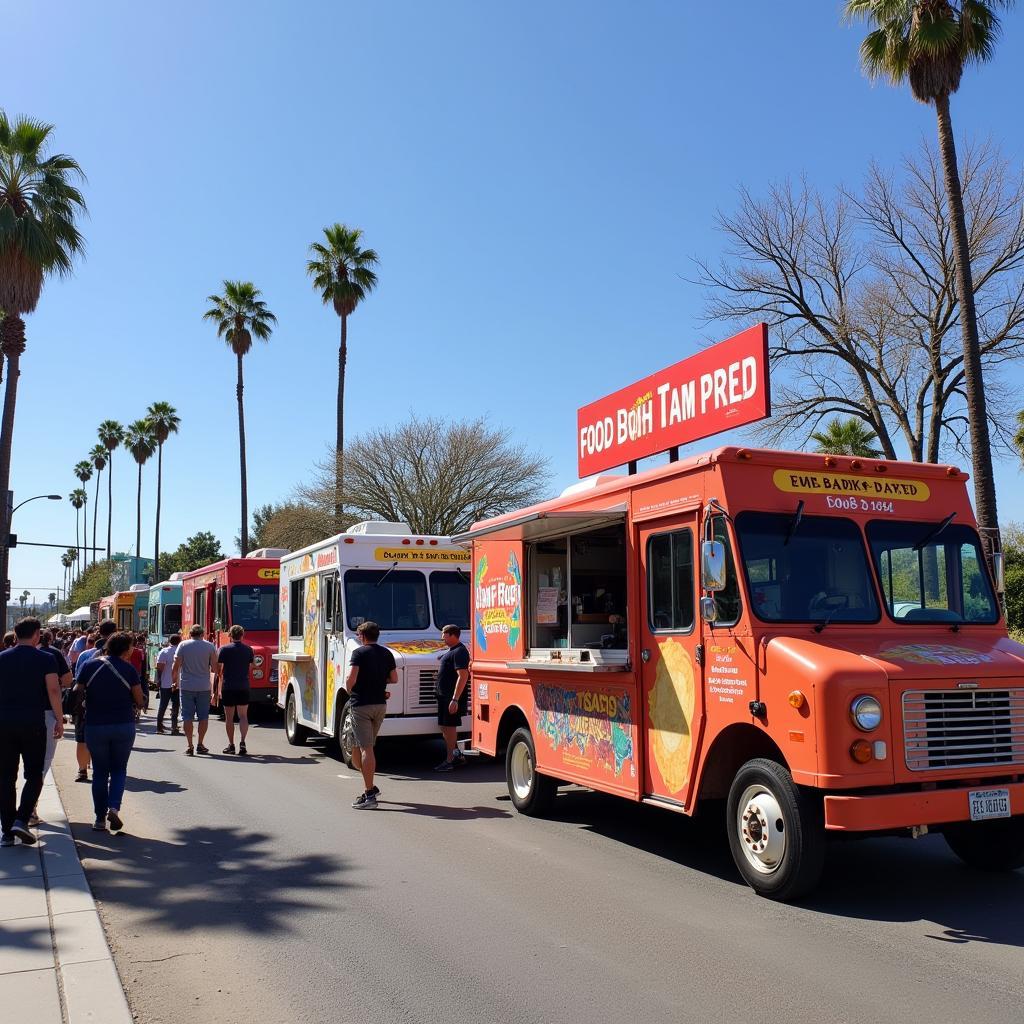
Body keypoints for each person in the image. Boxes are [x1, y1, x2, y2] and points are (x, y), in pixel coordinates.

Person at [0, 618, 63, 847]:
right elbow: (54, 689)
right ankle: (21, 818)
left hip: (4, 723)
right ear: (37, 634)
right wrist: (58, 718)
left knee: (6, 777)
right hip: (33, 723)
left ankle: (7, 831)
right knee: (34, 774)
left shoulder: (2, 658)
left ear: (15, 635)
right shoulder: (45, 659)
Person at [75, 631, 143, 832]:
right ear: (125, 649)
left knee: (100, 772)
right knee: (119, 769)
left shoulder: (89, 666)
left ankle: (99, 819)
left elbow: (78, 690)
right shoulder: (129, 669)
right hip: (123, 724)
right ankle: (114, 807)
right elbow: (139, 699)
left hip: (95, 724)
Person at [345, 620, 396, 810]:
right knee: (362, 746)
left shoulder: (359, 653)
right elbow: (394, 678)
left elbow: (352, 678)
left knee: (366, 749)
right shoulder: (387, 653)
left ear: (363, 636)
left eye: (359, 635)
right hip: (380, 705)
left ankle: (369, 795)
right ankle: (371, 785)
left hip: (361, 704)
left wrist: (350, 689)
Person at [36, 630, 72, 825]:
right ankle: (30, 808)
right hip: (47, 712)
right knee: (43, 762)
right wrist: (60, 718)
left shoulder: (12, 654)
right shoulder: (52, 655)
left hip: (16, 714)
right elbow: (65, 681)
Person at [172, 625, 218, 756]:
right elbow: (215, 668)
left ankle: (189, 745)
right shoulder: (209, 646)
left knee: (187, 717)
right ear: (202, 634)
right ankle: (200, 743)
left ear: (190, 634)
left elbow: (176, 666)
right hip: (204, 686)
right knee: (203, 717)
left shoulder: (183, 645)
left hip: (187, 685)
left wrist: (174, 681)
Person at [433, 624, 470, 771]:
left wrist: (455, 699)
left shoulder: (460, 652)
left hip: (450, 698)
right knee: (444, 727)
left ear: (452, 635)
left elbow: (463, 676)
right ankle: (456, 755)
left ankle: (450, 761)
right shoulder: (452, 651)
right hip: (444, 697)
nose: (442, 636)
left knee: (449, 728)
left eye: (444, 634)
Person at [216, 624, 254, 755]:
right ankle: (242, 742)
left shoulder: (224, 649)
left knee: (229, 718)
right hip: (243, 685)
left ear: (230, 635)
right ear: (242, 635)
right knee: (243, 716)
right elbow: (250, 667)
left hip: (229, 686)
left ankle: (231, 745)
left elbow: (219, 669)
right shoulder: (248, 649)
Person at [155, 634, 181, 735]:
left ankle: (159, 727)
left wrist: (158, 680)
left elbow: (159, 667)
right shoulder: (181, 652)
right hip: (178, 683)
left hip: (166, 683)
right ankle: (174, 727)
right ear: (179, 641)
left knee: (163, 705)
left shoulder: (164, 651)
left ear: (169, 641)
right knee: (176, 705)